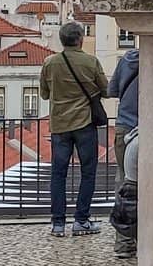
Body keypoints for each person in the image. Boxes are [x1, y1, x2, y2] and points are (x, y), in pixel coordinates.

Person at [39, 21, 108, 238]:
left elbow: (44, 94)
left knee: (58, 174)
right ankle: (81, 220)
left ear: (62, 40)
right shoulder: (91, 62)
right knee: (88, 172)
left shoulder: (50, 63)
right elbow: (105, 90)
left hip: (59, 125)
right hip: (85, 123)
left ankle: (58, 223)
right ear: (80, 39)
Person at [108, 45, 139, 257]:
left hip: (124, 125)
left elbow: (113, 91)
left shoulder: (128, 58)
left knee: (124, 182)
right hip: (146, 127)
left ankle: (124, 241)